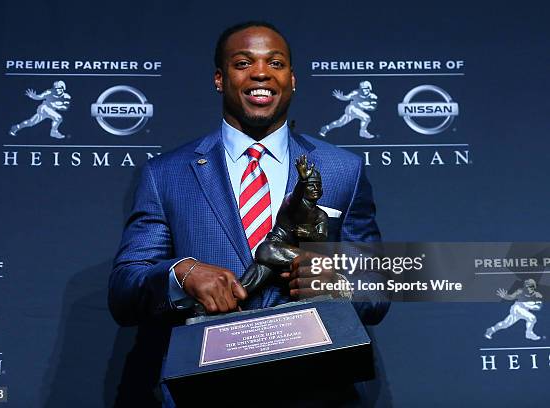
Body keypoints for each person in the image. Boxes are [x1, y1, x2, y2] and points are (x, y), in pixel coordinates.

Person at [109, 21, 388, 407]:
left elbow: (377, 286)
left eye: (275, 63)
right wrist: (182, 273)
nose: (261, 73)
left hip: (318, 392)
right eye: (243, 63)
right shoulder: (166, 174)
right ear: (220, 80)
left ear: (292, 79)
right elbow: (125, 289)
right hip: (207, 396)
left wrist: (339, 281)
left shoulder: (343, 169)